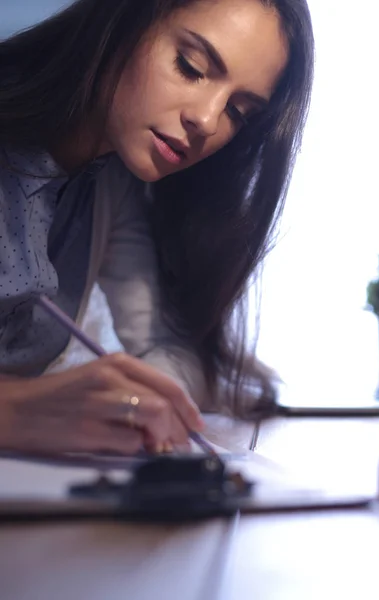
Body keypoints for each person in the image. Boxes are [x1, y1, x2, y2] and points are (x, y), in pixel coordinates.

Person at [0, 0, 314, 455]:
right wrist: (19, 412)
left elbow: (167, 348)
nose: (207, 120)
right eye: (191, 67)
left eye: (239, 112)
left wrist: (143, 402)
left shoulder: (111, 181)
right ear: (124, 17)